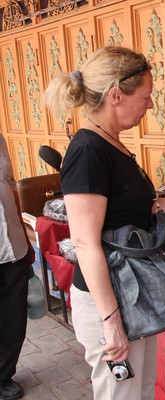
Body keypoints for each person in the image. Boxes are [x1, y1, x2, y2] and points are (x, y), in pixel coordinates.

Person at [43, 46, 165, 399]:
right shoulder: (88, 151)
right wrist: (111, 323)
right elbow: (84, 242)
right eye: (146, 96)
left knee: (140, 392)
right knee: (121, 394)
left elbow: (147, 209)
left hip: (133, 294)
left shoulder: (112, 144)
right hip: (109, 301)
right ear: (115, 95)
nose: (150, 105)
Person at [0, 133, 35, 400]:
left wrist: (23, 236)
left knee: (13, 317)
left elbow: (10, 187)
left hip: (12, 245)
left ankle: (3, 374)